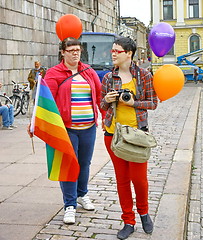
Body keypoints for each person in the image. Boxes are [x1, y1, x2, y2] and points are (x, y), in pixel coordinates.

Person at [28, 38, 105, 225]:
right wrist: (34, 122)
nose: (75, 53)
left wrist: (105, 118)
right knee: (68, 165)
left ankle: (82, 195)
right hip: (66, 129)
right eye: (70, 50)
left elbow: (99, 95)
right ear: (63, 52)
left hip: (88, 128)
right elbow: (45, 101)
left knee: (85, 164)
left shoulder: (88, 72)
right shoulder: (54, 74)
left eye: (77, 50)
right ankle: (69, 205)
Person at [100, 37, 158, 240]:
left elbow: (153, 103)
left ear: (129, 53)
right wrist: (106, 101)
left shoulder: (143, 76)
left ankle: (143, 212)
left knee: (139, 180)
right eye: (112, 50)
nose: (113, 53)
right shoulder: (108, 78)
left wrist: (133, 102)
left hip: (136, 135)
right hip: (113, 135)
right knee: (122, 180)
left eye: (117, 51)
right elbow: (102, 106)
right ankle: (128, 220)